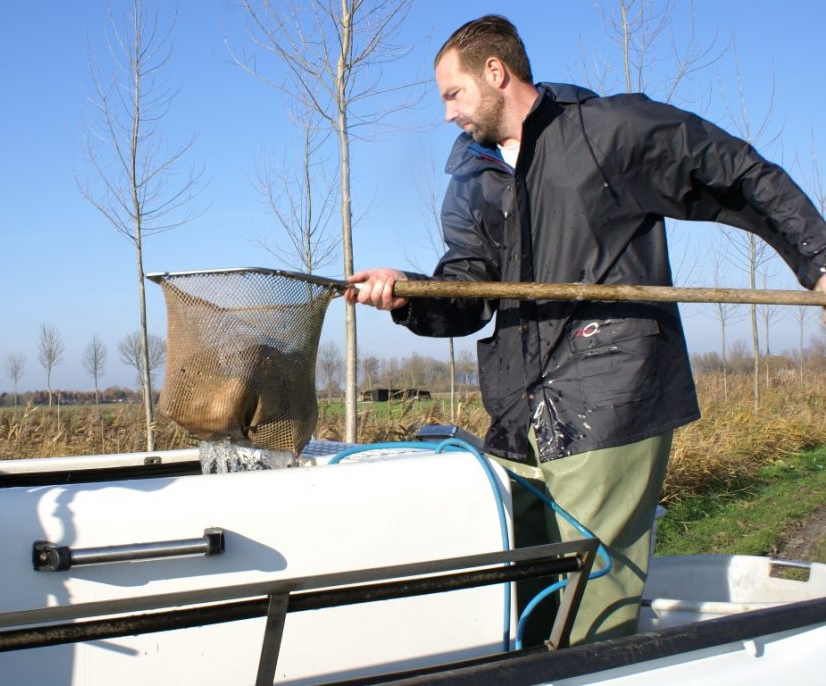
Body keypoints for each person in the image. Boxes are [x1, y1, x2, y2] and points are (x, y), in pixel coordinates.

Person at [346, 14, 826, 646]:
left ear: (496, 73)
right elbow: (470, 293)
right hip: (518, 420)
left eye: (452, 93)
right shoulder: (470, 177)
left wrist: (816, 260)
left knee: (587, 618)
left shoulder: (605, 131)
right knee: (520, 607)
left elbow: (734, 169)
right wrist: (407, 295)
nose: (447, 114)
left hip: (609, 400)